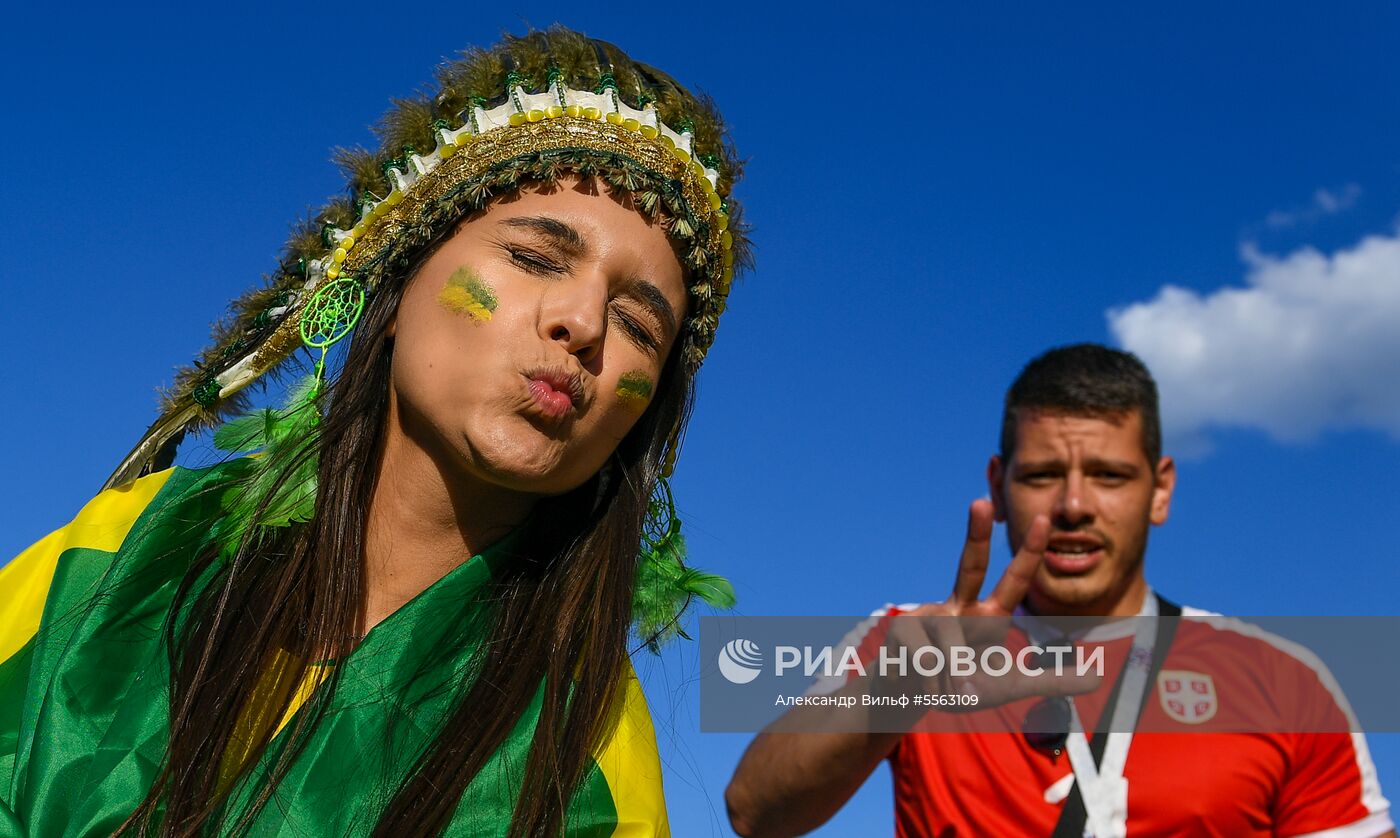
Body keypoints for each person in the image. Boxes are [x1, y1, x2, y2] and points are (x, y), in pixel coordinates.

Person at [0, 27, 747, 837]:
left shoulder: (588, 743)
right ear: (397, 284)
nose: (582, 324)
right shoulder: (131, 551)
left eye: (639, 324)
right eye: (536, 258)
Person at [726, 344, 1393, 837]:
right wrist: (898, 689)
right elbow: (754, 812)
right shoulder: (916, 640)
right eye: (1043, 474)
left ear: (1160, 489)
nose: (1074, 505)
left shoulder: (1283, 681)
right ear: (998, 484)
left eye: (1108, 475)